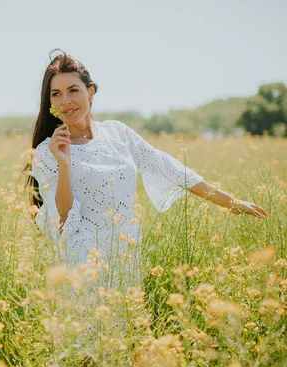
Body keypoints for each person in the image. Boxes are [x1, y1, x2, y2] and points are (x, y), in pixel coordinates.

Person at [24, 49, 268, 290]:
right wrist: (64, 164)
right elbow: (63, 219)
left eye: (73, 90)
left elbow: (168, 167)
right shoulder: (48, 151)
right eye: (56, 94)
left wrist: (231, 202)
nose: (65, 101)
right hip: (81, 266)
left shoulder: (117, 133)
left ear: (91, 91)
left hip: (124, 256)